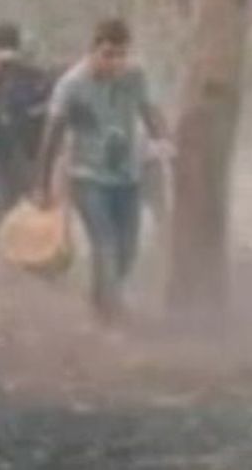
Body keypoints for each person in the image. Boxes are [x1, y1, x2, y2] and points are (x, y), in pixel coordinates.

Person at [37, 19, 168, 325]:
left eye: (121, 54)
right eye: (108, 54)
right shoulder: (72, 84)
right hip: (88, 176)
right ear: (93, 51)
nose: (115, 62)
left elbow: (148, 111)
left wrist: (162, 140)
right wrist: (41, 184)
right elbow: (52, 134)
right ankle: (109, 314)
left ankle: (102, 299)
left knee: (128, 248)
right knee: (105, 243)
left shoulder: (135, 76)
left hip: (128, 175)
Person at [0, 22, 51, 224]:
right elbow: (45, 111)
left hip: (0, 154)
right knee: (29, 213)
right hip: (27, 153)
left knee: (5, 213)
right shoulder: (35, 74)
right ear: (18, 44)